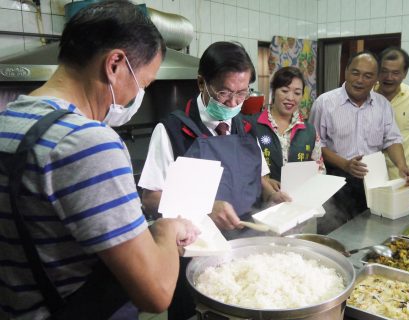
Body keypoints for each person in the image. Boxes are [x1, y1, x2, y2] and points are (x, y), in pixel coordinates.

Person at [0, 1, 199, 319]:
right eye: (142, 85)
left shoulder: (8, 120)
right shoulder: (89, 142)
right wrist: (166, 229)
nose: (135, 98)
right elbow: (157, 293)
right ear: (115, 64)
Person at [138, 41, 290, 319]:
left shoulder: (248, 129)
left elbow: (260, 180)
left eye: (242, 94)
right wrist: (207, 207)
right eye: (224, 93)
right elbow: (150, 197)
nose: (233, 103)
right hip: (194, 254)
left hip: (246, 253)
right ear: (201, 83)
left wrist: (273, 194)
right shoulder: (172, 130)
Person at [309, 51, 409, 234]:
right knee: (336, 233)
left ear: (376, 79)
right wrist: (345, 164)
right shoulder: (324, 103)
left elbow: (392, 139)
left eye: (368, 76)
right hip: (335, 180)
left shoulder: (383, 105)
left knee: (369, 232)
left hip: (372, 182)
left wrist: (401, 165)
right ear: (346, 72)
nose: (360, 80)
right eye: (355, 73)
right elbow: (316, 146)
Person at [246, 66, 325, 189]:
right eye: (284, 91)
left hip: (297, 200)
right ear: (273, 91)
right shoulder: (251, 125)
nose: (290, 98)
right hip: (260, 202)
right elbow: (242, 168)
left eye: (297, 93)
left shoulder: (309, 131)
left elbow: (319, 169)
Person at [375, 47, 409, 193]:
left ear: (405, 73)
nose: (389, 77)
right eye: (384, 71)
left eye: (395, 73)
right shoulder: (368, 95)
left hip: (402, 177)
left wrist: (400, 153)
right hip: (373, 179)